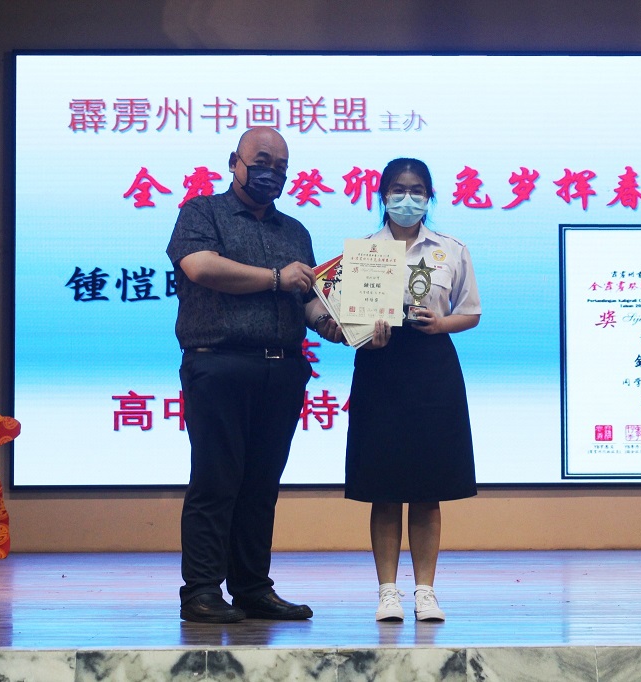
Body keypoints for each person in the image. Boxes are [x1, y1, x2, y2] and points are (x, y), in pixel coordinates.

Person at [167, 127, 341, 624]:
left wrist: (335, 325)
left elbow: (308, 299)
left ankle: (251, 588)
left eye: (281, 167)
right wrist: (275, 278)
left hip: (282, 369)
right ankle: (201, 591)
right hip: (218, 363)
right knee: (215, 480)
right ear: (234, 162)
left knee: (262, 485)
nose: (271, 174)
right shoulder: (202, 212)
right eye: (261, 162)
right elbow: (201, 267)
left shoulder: (295, 231)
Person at [345, 158, 481, 622]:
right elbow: (347, 318)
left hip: (432, 367)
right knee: (383, 487)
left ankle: (426, 592)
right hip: (379, 365)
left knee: (428, 485)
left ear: (430, 196)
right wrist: (366, 331)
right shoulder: (363, 251)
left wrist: (441, 323)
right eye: (398, 189)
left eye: (417, 189)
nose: (408, 198)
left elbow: (471, 312)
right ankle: (388, 592)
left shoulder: (450, 249)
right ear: (382, 195)